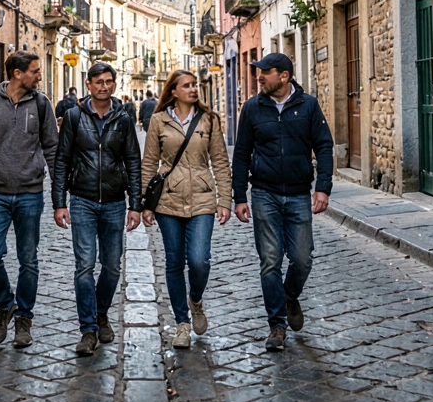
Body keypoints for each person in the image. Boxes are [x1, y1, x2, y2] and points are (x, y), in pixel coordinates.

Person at [231, 53, 334, 352]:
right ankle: (276, 325)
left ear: (284, 76)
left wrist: (323, 188)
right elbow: (241, 155)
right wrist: (240, 196)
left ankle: (290, 295)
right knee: (270, 262)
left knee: (302, 259)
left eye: (266, 72)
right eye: (259, 72)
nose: (259, 77)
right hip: (264, 193)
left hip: (300, 194)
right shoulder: (252, 108)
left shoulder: (308, 106)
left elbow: (324, 146)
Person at [0, 51, 58, 349]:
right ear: (18, 74)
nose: (39, 76)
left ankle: (24, 318)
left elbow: (53, 150)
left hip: (31, 193)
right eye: (34, 71)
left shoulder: (42, 104)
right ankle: (6, 304)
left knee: (28, 259)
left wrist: (59, 197)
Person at [53, 63, 143, 356]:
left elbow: (133, 161)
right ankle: (88, 329)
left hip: (116, 202)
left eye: (109, 82)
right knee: (84, 266)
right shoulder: (73, 116)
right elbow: (62, 161)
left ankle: (101, 311)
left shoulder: (124, 118)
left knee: (113, 266)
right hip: (82, 200)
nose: (104, 86)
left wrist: (136, 204)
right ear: (88, 85)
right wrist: (59, 203)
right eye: (98, 82)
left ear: (114, 85)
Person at [140, 70, 231, 349]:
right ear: (174, 91)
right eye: (187, 85)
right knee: (174, 262)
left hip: (203, 198)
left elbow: (220, 161)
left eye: (195, 85)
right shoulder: (158, 120)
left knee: (200, 260)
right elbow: (149, 163)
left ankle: (196, 299)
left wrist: (224, 200)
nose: (194, 89)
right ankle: (182, 323)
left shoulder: (210, 120)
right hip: (168, 200)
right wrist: (145, 204)